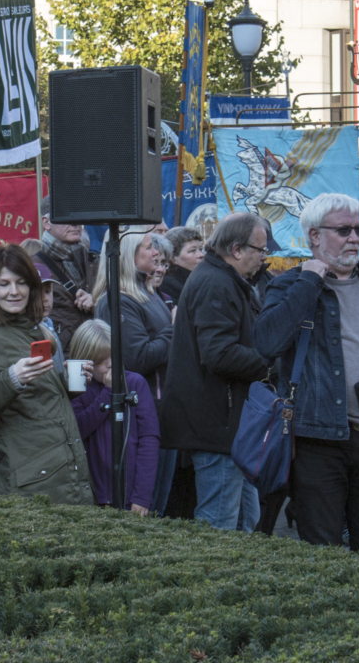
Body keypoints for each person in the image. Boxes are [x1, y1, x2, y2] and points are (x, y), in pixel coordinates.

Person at [254, 193, 359, 558]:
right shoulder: (290, 284)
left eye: (358, 230)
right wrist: (310, 282)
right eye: (343, 230)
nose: (354, 239)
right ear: (314, 236)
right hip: (317, 440)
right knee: (323, 553)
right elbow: (267, 343)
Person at [0, 245, 92, 505]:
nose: (14, 292)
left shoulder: (29, 329)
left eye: (21, 283)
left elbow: (35, 400)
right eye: (3, 284)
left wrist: (70, 383)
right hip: (27, 482)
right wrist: (12, 378)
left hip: (55, 475)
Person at [160, 212, 269, 531]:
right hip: (216, 424)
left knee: (245, 519)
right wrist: (270, 363)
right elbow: (218, 354)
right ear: (237, 249)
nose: (264, 258)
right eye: (260, 250)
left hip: (227, 424)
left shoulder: (221, 279)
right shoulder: (216, 283)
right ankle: (209, 582)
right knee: (219, 523)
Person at [93, 227, 177, 514]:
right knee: (143, 510)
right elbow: (138, 358)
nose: (156, 252)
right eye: (147, 246)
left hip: (163, 413)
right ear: (128, 255)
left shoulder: (147, 294)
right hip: (140, 417)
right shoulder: (118, 300)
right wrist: (174, 328)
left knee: (158, 508)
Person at [69, 319, 158, 514]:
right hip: (93, 494)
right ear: (87, 360)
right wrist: (107, 393)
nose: (110, 364)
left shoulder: (135, 382)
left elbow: (149, 439)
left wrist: (142, 496)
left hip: (130, 494)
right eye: (101, 360)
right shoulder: (78, 388)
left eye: (113, 355)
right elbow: (78, 430)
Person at [38, 201, 95, 346]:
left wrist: (97, 302)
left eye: (78, 216)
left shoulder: (94, 262)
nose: (75, 223)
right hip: (60, 357)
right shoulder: (33, 265)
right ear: (46, 222)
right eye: (66, 216)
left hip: (97, 352)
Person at [158, 227, 204, 304]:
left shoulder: (199, 279)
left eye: (201, 249)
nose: (201, 255)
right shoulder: (168, 285)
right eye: (192, 251)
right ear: (173, 258)